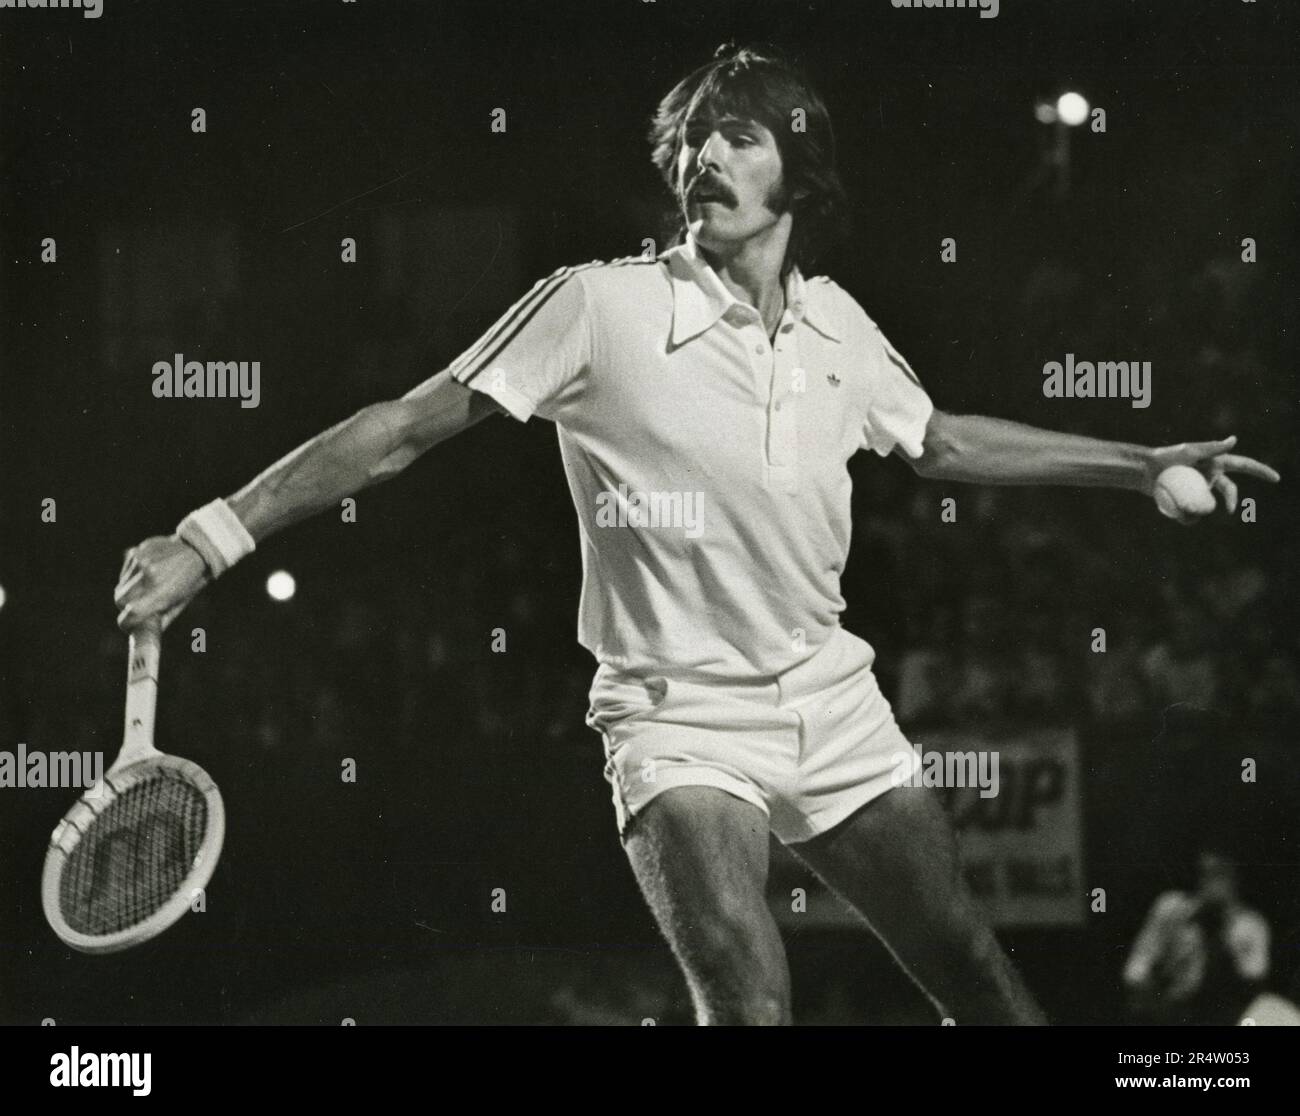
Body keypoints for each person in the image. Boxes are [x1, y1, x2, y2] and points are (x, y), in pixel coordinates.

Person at [113, 45, 1279, 1025]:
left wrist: (1139, 465)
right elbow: (399, 430)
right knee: (750, 1003)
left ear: (798, 173)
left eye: (738, 137)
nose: (704, 157)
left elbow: (941, 443)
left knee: (974, 974)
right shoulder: (597, 306)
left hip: (826, 698)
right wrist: (211, 536)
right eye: (691, 141)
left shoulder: (839, 326)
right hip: (674, 718)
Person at [1123, 849, 1271, 1025]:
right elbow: (1137, 967)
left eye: (1219, 874)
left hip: (1223, 1017)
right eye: (1204, 873)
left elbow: (1253, 978)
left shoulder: (1251, 925)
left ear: (1235, 879)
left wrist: (1225, 922)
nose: (1209, 882)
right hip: (1169, 1012)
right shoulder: (1171, 907)